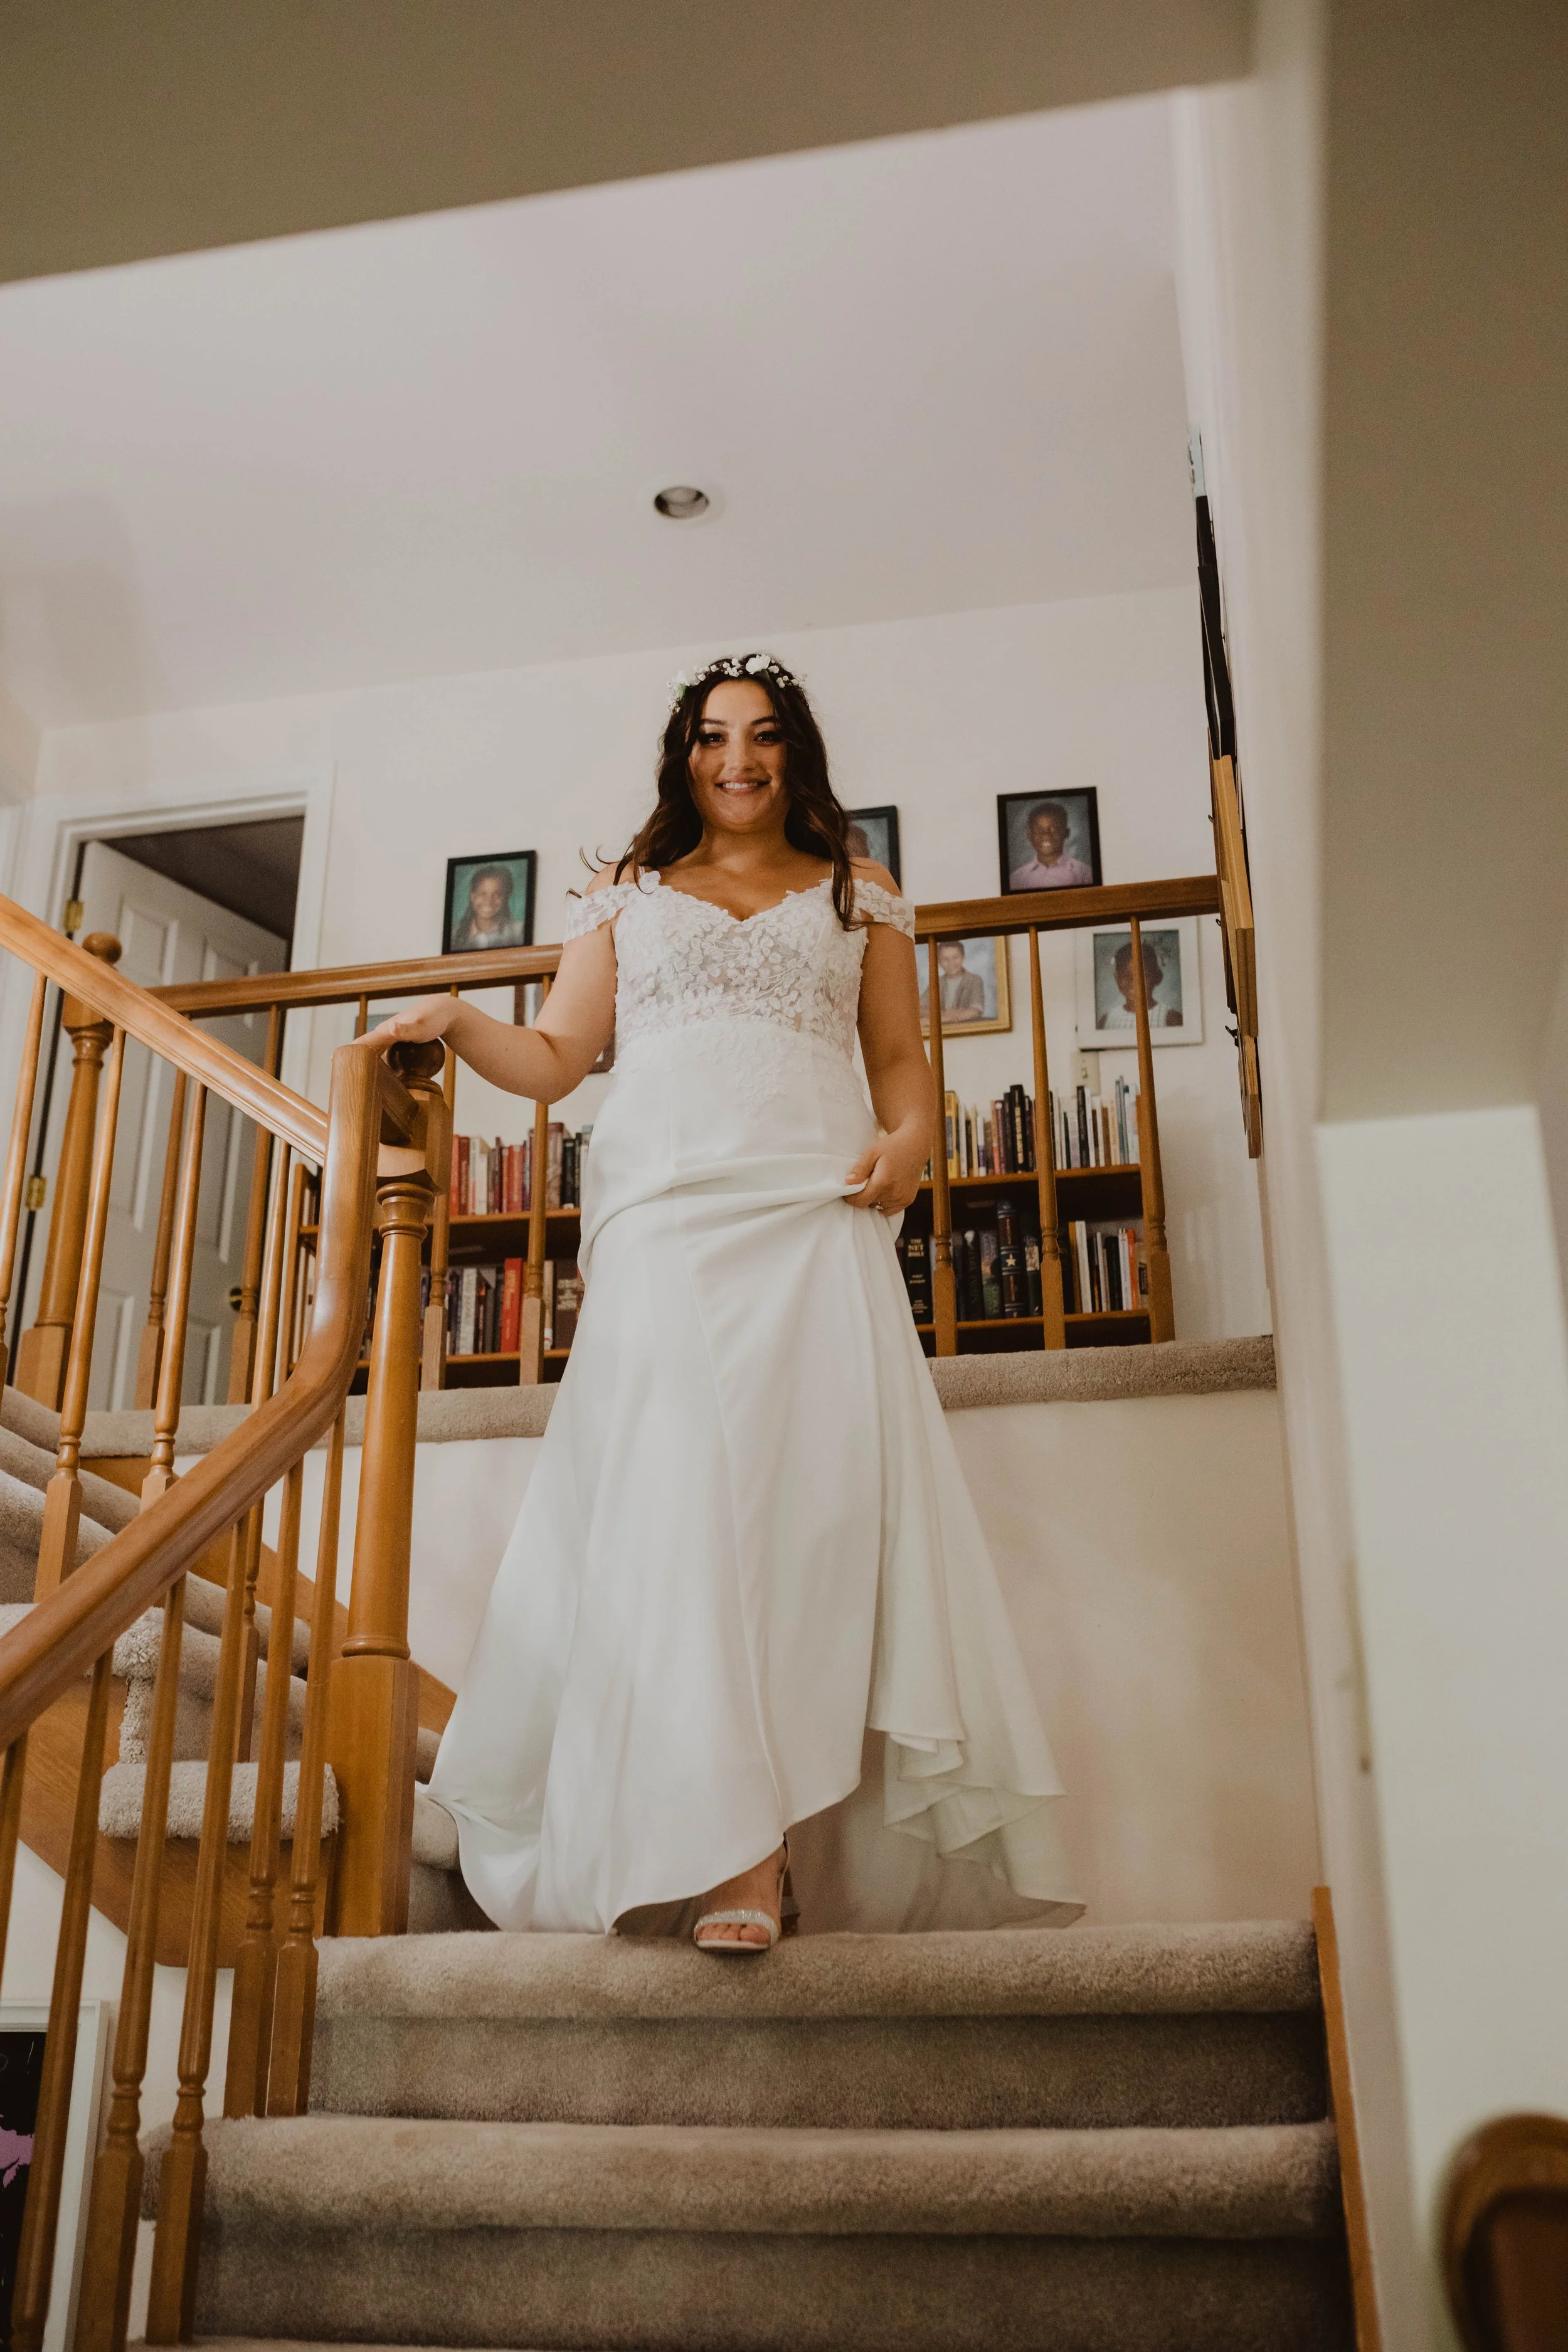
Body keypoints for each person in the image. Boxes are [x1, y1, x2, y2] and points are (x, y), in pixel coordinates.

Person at [373, 654, 1079, 1950]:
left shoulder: (861, 897)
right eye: (711, 738)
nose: (735, 759)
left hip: (814, 1213)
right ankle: (737, 1857)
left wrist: (912, 1143)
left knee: (802, 1524)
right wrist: (460, 1018)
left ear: (794, 752)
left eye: (759, 737)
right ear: (681, 755)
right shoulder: (625, 897)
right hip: (669, 1222)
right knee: (683, 1514)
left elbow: (898, 1062)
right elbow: (556, 1057)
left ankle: (761, 1845)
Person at [1099, 936, 1182, 1030]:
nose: (1135, 983)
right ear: (1117, 979)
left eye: (1143, 976)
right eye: (1126, 976)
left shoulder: (1171, 1018)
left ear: (1158, 977)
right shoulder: (1107, 1020)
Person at [1009, 801, 1093, 891]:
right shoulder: (1017, 879)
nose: (1046, 835)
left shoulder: (1085, 874)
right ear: (1029, 835)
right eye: (1038, 830)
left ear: (1066, 833)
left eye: (1054, 829)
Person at [451, 862, 529, 950]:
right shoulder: (454, 935)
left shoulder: (519, 932)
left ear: (506, 897)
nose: (489, 901)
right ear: (472, 896)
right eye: (483, 894)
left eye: (497, 895)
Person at [921, 938, 987, 1023]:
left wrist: (945, 1019)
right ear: (939, 962)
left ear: (963, 958)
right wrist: (943, 1015)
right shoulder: (937, 983)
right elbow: (920, 1008)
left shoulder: (974, 980)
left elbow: (976, 1010)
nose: (951, 963)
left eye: (955, 957)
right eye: (945, 959)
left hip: (966, 1029)